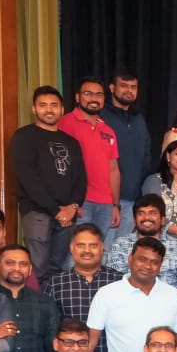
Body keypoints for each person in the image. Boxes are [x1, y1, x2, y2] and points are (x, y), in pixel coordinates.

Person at [10, 86, 86, 281]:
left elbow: (81, 179)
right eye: (43, 105)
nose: (49, 110)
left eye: (54, 105)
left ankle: (52, 302)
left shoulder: (72, 142)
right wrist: (56, 210)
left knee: (58, 271)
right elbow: (27, 177)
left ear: (62, 109)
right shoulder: (24, 136)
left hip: (66, 216)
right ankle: (36, 302)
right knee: (37, 270)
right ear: (34, 109)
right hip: (38, 212)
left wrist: (73, 207)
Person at [88, 237, 177, 352]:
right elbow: (91, 340)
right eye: (142, 259)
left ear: (160, 266)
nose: (147, 266)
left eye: (154, 262)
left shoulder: (172, 295)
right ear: (130, 259)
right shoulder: (106, 294)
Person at [45, 225, 123, 352]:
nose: (87, 250)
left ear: (102, 247)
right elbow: (50, 329)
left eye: (93, 245)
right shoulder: (57, 283)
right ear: (71, 248)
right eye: (81, 245)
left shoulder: (119, 282)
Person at [58, 77, 124, 245]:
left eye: (99, 95)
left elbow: (113, 169)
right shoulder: (65, 123)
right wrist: (71, 203)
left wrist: (115, 205)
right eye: (88, 94)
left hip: (105, 204)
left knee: (97, 251)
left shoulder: (108, 130)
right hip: (80, 202)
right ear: (77, 97)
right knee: (75, 251)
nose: (94, 98)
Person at [0, 243, 60, 352]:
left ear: (29, 270)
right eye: (10, 263)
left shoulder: (45, 303)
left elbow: (53, 349)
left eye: (23, 264)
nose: (16, 268)